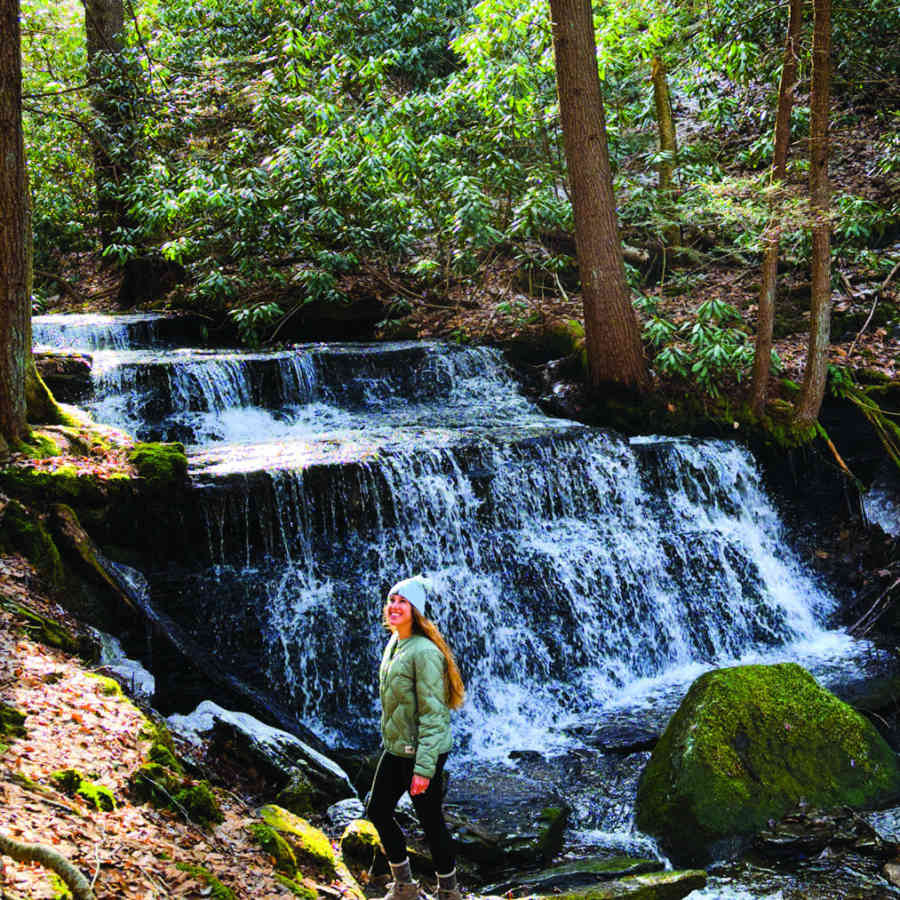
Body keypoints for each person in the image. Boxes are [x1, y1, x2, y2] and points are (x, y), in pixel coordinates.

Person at [366, 575, 466, 900]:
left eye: (402, 602)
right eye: (392, 600)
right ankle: (405, 888)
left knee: (430, 822)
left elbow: (434, 716)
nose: (394, 606)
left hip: (424, 751)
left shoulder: (424, 653)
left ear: (416, 610)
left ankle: (449, 892)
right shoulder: (395, 643)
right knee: (378, 810)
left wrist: (424, 769)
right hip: (397, 748)